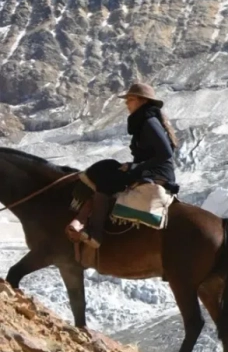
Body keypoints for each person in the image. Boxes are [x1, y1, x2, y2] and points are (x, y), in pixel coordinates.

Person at [68, 82, 180, 249]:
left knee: (105, 181)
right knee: (105, 166)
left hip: (155, 172)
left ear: (143, 101)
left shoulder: (149, 122)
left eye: (131, 99)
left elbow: (165, 153)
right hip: (147, 169)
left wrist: (136, 168)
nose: (127, 103)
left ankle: (96, 233)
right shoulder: (145, 120)